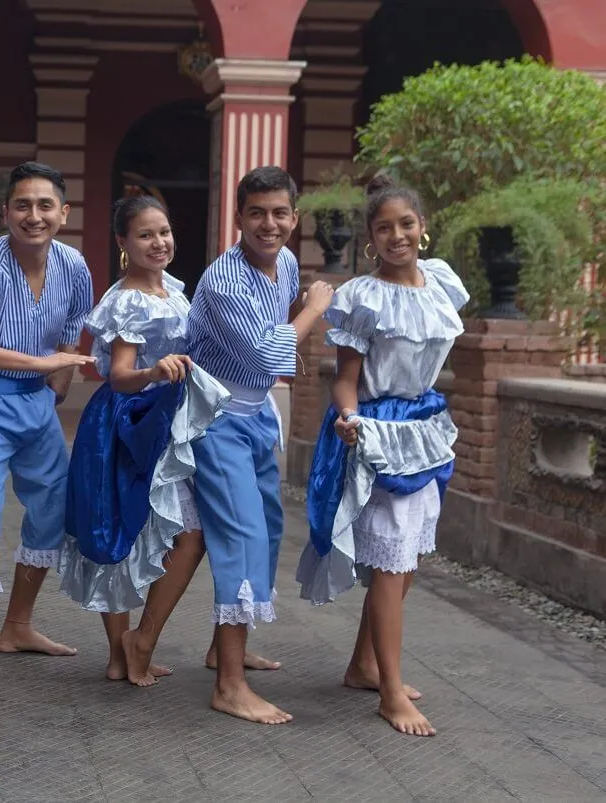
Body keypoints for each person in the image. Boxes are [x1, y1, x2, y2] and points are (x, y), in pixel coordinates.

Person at [297, 174, 465, 737]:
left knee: (408, 559)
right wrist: (349, 419)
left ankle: (364, 665)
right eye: (385, 227)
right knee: (391, 564)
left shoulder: (441, 282)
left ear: (423, 228)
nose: (397, 235)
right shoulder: (362, 299)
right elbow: (346, 379)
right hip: (378, 429)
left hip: (427, 426)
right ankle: (391, 692)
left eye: (406, 224)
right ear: (371, 237)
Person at [0, 161, 95, 713]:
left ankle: (18, 625)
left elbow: (75, 329)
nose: (34, 216)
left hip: (36, 404)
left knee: (54, 510)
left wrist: (55, 382)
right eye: (23, 206)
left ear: (64, 213)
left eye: (45, 205)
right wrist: (39, 362)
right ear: (6, 212)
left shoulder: (74, 266)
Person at [61, 196, 230, 686]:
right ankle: (122, 651)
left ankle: (140, 641)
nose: (159, 243)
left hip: (167, 423)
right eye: (145, 235)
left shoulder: (176, 293)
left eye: (164, 232)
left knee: (187, 535)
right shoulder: (127, 300)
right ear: (122, 243)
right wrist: (154, 371)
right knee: (119, 530)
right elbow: (116, 376)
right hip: (125, 424)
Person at [187, 165, 334, 724]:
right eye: (257, 213)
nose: (268, 224)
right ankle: (228, 685)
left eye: (279, 213)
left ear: (293, 219)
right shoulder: (223, 281)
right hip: (217, 418)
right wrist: (314, 308)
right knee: (239, 537)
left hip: (255, 419)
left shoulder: (287, 263)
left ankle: (226, 645)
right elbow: (270, 357)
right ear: (238, 218)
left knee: (269, 530)